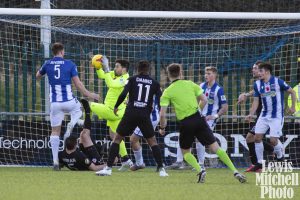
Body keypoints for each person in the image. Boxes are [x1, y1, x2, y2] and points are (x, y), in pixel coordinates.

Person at [159, 63, 246, 183]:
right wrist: (198, 111)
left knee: (185, 152)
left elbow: (162, 114)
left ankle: (200, 170)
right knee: (215, 147)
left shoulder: (167, 91)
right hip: (199, 119)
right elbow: (204, 99)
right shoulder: (190, 84)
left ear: (168, 75)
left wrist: (162, 127)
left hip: (186, 122)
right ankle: (235, 171)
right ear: (181, 73)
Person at [96, 60, 168, 177]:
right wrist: (161, 119)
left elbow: (124, 94)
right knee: (152, 142)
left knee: (117, 139)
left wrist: (116, 106)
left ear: (137, 70)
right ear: (148, 70)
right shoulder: (154, 83)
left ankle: (108, 169)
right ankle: (161, 170)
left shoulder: (132, 79)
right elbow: (160, 102)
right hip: (144, 115)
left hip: (130, 113)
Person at [36, 42, 99, 170]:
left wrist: (45, 74)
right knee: (79, 111)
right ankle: (73, 123)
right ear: (62, 51)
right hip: (69, 101)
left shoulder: (47, 64)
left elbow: (37, 76)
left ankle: (55, 162)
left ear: (53, 52)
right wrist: (90, 94)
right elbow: (78, 84)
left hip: (55, 104)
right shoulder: (69, 64)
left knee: (55, 131)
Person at [169, 66, 228, 170]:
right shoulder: (201, 86)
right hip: (198, 117)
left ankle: (201, 163)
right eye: (205, 73)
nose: (206, 75)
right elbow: (196, 100)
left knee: (199, 140)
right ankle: (179, 161)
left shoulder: (219, 90)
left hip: (209, 120)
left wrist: (214, 116)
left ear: (214, 75)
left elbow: (225, 107)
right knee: (183, 137)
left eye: (209, 73)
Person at [245, 63, 296, 170]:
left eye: (260, 71)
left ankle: (280, 156)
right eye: (258, 71)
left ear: (267, 71)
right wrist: (251, 113)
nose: (258, 73)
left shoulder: (278, 82)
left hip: (276, 116)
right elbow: (256, 101)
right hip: (264, 115)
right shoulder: (257, 84)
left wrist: (292, 106)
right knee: (257, 138)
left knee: (273, 140)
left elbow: (292, 91)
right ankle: (259, 163)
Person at [89, 57, 133, 171]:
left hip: (113, 111)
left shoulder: (125, 79)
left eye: (117, 66)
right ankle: (126, 160)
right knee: (115, 136)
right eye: (114, 66)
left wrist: (107, 67)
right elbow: (103, 76)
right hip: (114, 111)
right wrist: (98, 67)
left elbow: (111, 84)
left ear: (124, 69)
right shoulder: (115, 74)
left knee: (88, 105)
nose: (115, 68)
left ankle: (83, 123)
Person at [238, 61, 275, 172]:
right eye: (253, 68)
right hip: (260, 115)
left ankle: (270, 152)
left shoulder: (268, 81)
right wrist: (246, 95)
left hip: (268, 115)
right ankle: (258, 165)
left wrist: (246, 94)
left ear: (261, 70)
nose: (253, 70)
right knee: (251, 138)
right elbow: (256, 92)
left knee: (251, 137)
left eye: (255, 68)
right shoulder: (258, 83)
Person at [59, 99, 105, 171]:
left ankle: (98, 147)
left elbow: (60, 164)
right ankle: (87, 112)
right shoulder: (79, 156)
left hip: (84, 157)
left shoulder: (61, 155)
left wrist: (59, 165)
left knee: (83, 134)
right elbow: (95, 168)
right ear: (75, 145)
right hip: (95, 162)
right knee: (85, 134)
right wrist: (109, 164)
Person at [129, 96, 160, 171]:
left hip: (148, 118)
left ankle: (140, 163)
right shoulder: (154, 87)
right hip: (154, 117)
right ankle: (160, 163)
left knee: (133, 139)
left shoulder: (146, 88)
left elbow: (146, 105)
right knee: (150, 140)